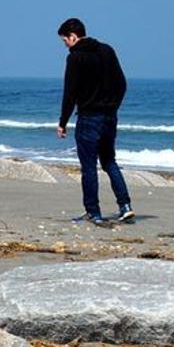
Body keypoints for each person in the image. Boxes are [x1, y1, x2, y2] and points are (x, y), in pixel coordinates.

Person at [56, 17, 134, 225]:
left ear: (73, 37)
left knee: (89, 166)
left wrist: (62, 121)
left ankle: (93, 211)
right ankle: (125, 205)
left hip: (89, 117)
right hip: (110, 116)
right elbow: (122, 83)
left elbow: (70, 93)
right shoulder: (107, 50)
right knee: (109, 161)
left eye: (65, 41)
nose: (65, 45)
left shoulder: (76, 58)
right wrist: (113, 106)